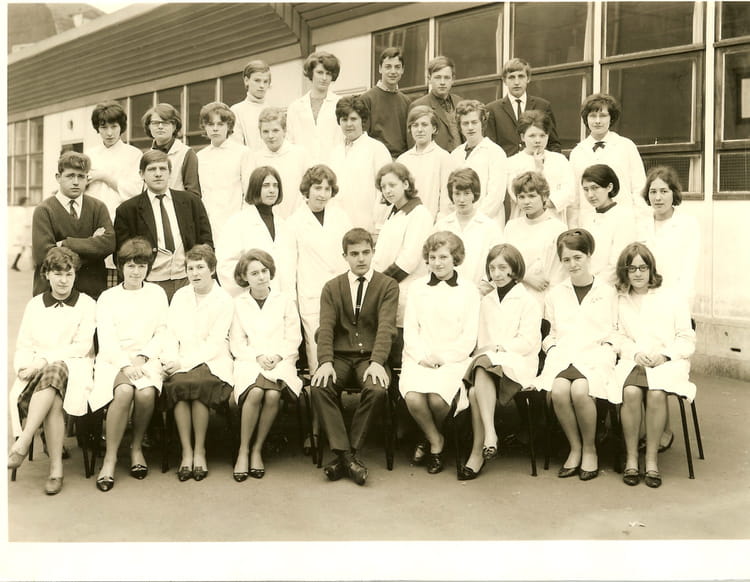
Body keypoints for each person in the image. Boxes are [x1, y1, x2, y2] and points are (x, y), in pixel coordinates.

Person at [311, 228, 399, 486]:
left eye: (365, 252)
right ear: (345, 256)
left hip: (369, 358)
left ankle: (345, 455)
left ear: (373, 253)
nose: (361, 258)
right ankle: (348, 457)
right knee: (319, 386)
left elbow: (386, 328)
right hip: (339, 357)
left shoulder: (387, 285)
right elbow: (326, 327)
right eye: (354, 254)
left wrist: (377, 362)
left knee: (377, 389)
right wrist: (325, 361)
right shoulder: (332, 287)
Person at [8, 247, 96, 495]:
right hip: (38, 370)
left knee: (55, 370)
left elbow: (81, 347)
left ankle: (24, 441)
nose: (63, 280)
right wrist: (24, 366)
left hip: (76, 366)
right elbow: (24, 345)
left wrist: (44, 360)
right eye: (58, 274)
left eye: (69, 274)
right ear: (46, 274)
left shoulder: (86, 304)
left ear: (75, 275)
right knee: (53, 393)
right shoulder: (35, 305)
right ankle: (55, 470)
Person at [534, 228, 618, 481]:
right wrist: (552, 349)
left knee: (581, 391)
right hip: (564, 355)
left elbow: (616, 331)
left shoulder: (607, 292)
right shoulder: (555, 293)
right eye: (566, 259)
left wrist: (607, 349)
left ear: (589, 255)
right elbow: (549, 333)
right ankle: (575, 447)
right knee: (559, 391)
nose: (572, 264)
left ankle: (590, 449)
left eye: (578, 257)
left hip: (595, 356)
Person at [614, 242, 696, 488]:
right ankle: (631, 458)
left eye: (643, 267)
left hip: (667, 362)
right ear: (624, 272)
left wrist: (666, 355)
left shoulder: (672, 297)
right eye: (631, 269)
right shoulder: (620, 300)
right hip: (634, 360)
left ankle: (651, 460)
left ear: (651, 269)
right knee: (630, 392)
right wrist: (634, 353)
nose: (638, 273)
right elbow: (616, 336)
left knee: (657, 393)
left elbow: (686, 337)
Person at [400, 231, 480, 475]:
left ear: (455, 257)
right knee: (413, 397)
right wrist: (421, 356)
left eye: (444, 257)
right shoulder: (417, 288)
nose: (437, 263)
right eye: (433, 257)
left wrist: (443, 358)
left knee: (437, 399)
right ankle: (436, 440)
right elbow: (411, 329)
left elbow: (469, 337)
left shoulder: (469, 290)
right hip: (419, 356)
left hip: (453, 359)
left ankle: (426, 437)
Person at [92, 238, 169, 492]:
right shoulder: (108, 297)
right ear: (121, 266)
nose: (136, 272)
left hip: (147, 359)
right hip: (114, 360)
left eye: (141, 266)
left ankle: (136, 448)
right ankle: (110, 458)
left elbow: (163, 331)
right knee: (124, 391)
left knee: (145, 393)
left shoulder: (157, 293)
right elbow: (106, 338)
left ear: (148, 268)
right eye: (131, 266)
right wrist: (126, 364)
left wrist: (143, 357)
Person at [460, 244, 542, 480]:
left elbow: (528, 342)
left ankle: (483, 444)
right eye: (492, 268)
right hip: (489, 364)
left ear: (514, 269)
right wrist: (491, 351)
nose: (497, 273)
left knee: (480, 374)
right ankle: (486, 442)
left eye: (503, 268)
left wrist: (500, 348)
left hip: (518, 362)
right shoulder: (486, 301)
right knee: (475, 389)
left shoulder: (529, 301)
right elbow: (481, 341)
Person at [161, 244, 233, 482]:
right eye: (190, 268)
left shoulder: (224, 300)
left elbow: (215, 343)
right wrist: (171, 358)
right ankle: (186, 451)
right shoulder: (181, 296)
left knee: (199, 384)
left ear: (212, 269)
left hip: (212, 360)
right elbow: (171, 332)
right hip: (181, 357)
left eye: (200, 267)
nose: (195, 273)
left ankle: (200, 450)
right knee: (179, 385)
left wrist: (182, 362)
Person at [230, 249, 302, 480]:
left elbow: (294, 337)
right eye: (254, 273)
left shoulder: (285, 300)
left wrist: (278, 356)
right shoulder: (238, 303)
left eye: (264, 271)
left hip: (280, 361)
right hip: (250, 360)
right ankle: (243, 450)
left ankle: (257, 449)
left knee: (272, 395)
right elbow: (237, 342)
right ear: (244, 277)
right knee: (255, 392)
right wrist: (258, 356)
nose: (261, 277)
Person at [114, 150, 213, 302]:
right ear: (141, 174)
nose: (158, 174)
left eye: (163, 169)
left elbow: (206, 241)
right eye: (152, 169)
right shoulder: (127, 210)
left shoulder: (191, 202)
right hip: (150, 282)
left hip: (188, 280)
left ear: (170, 173)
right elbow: (122, 255)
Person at [287, 165, 352, 372]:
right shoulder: (294, 222)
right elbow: (289, 266)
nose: (322, 194)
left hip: (341, 291)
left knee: (343, 345)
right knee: (317, 347)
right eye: (317, 188)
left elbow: (350, 253)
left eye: (327, 189)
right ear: (307, 189)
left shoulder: (341, 217)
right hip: (312, 293)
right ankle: (320, 387)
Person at [32, 151, 115, 300]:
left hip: (92, 292)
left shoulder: (98, 207)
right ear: (58, 177)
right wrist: (92, 247)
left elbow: (109, 244)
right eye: (70, 176)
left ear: (87, 178)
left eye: (81, 176)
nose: (76, 182)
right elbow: (43, 256)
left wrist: (65, 244)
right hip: (53, 294)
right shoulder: (44, 210)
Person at [372, 162, 434, 339]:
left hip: (406, 291)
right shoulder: (392, 213)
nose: (387, 190)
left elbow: (409, 259)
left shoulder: (420, 214)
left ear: (406, 184)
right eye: (383, 187)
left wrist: (379, 284)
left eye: (392, 185)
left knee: (403, 341)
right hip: (389, 292)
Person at [568, 93, 647, 232]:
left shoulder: (626, 146)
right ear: (586, 118)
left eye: (603, 116)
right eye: (593, 116)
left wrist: (641, 224)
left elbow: (639, 188)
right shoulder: (577, 152)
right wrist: (574, 229)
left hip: (622, 221)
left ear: (611, 118)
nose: (597, 121)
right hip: (588, 223)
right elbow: (574, 198)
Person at [86, 101, 143, 285]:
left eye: (114, 127)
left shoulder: (134, 154)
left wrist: (104, 176)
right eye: (104, 127)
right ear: (97, 128)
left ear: (122, 127)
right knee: (94, 275)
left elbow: (136, 190)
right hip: (94, 221)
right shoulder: (90, 155)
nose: (109, 133)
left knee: (120, 273)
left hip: (122, 222)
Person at [216, 166, 295, 297]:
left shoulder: (285, 226)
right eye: (266, 185)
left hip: (282, 301)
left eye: (275, 185)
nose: (272, 190)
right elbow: (226, 265)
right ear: (255, 188)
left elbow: (289, 270)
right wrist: (250, 292)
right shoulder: (237, 223)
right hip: (250, 300)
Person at [328, 95, 392, 234]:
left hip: (367, 227)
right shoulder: (334, 152)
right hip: (337, 228)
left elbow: (386, 191)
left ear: (362, 120)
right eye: (344, 119)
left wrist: (378, 225)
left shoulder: (377, 149)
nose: (348, 124)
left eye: (353, 119)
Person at [504, 171, 567, 305]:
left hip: (544, 297)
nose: (526, 202)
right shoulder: (511, 226)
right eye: (521, 197)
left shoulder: (558, 228)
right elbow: (504, 264)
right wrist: (524, 276)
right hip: (515, 295)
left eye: (532, 196)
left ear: (544, 196)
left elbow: (560, 272)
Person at [435, 168, 503, 291]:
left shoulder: (490, 227)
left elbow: (499, 262)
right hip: (445, 294)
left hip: (479, 294)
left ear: (474, 194)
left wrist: (483, 289)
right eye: (457, 193)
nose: (461, 199)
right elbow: (431, 263)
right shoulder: (441, 226)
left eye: (466, 193)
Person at [641, 166, 701, 308]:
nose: (658, 198)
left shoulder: (688, 224)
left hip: (675, 299)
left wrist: (682, 302)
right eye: (653, 191)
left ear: (674, 193)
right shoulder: (640, 225)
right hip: (645, 300)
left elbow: (689, 268)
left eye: (664, 191)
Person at [506, 110, 575, 223]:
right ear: (523, 137)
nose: (538, 140)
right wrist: (538, 171)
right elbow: (515, 193)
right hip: (524, 221)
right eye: (532, 136)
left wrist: (549, 202)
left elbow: (569, 191)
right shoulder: (512, 162)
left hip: (554, 219)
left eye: (542, 135)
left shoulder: (559, 160)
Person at [449, 100, 507, 228]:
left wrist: (474, 221)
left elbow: (496, 197)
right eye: (465, 123)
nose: (470, 127)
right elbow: (452, 193)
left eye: (474, 122)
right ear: (460, 126)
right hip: (460, 223)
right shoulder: (455, 154)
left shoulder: (495, 152)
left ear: (482, 123)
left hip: (488, 223)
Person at [486, 58, 562, 156]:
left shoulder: (543, 106)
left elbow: (554, 144)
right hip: (507, 164)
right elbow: (490, 148)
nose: (516, 82)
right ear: (504, 81)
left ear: (528, 79)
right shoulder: (492, 109)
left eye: (521, 76)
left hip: (537, 163)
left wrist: (548, 162)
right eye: (511, 77)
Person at [196, 102, 253, 234]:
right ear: (204, 127)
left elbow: (249, 192)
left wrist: (243, 222)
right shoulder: (200, 156)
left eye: (220, 124)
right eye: (210, 124)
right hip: (207, 224)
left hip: (235, 224)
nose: (215, 129)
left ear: (229, 126)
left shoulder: (243, 153)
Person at [580, 164, 637, 285]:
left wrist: (595, 286)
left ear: (609, 187)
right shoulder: (587, 218)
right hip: (587, 282)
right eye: (586, 189)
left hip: (610, 286)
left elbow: (618, 262)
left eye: (595, 188)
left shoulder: (624, 216)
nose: (590, 195)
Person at [251, 107, 311, 220]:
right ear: (260, 133)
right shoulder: (255, 158)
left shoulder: (300, 154)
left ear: (284, 130)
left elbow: (309, 191)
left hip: (298, 219)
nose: (270, 136)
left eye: (275, 130)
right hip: (267, 221)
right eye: (265, 131)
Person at [397, 105, 454, 219]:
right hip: (407, 221)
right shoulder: (402, 160)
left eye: (424, 124)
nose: (419, 129)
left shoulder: (443, 157)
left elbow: (446, 197)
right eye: (415, 125)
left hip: (433, 221)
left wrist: (439, 223)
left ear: (434, 129)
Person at [286, 51, 342, 164]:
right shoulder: (295, 107)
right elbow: (289, 141)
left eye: (328, 73)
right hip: (303, 167)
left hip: (332, 167)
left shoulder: (340, 104)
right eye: (320, 72)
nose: (324, 78)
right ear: (311, 73)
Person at [360, 47, 412, 158]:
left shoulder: (406, 101)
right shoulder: (366, 99)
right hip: (376, 159)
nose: (393, 71)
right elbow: (362, 138)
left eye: (397, 67)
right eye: (388, 67)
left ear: (402, 70)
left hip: (401, 160)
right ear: (380, 68)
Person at [142, 103, 201, 198]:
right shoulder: (146, 155)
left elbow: (193, 194)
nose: (160, 126)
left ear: (174, 126)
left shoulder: (186, 153)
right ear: (149, 126)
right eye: (155, 123)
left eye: (165, 123)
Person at [408, 56, 464, 153]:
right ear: (429, 79)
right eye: (438, 77)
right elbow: (414, 146)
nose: (442, 82)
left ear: (453, 79)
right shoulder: (419, 105)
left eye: (446, 78)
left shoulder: (460, 102)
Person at [230, 59, 272, 151]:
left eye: (265, 81)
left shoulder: (273, 111)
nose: (262, 86)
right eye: (257, 80)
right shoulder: (237, 111)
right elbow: (236, 147)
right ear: (246, 80)